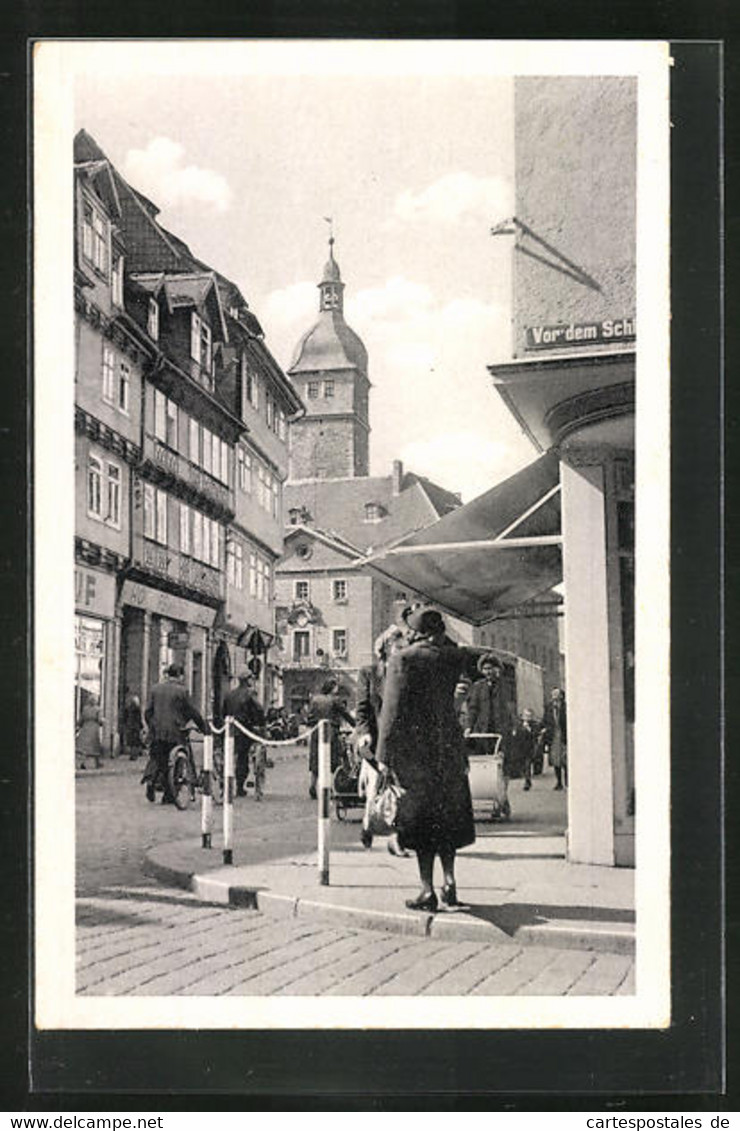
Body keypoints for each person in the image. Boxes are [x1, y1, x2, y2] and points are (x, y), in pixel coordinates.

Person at [375, 606, 476, 912]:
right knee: (448, 817)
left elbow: (390, 712)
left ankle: (427, 890)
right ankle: (450, 882)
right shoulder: (454, 656)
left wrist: (383, 756)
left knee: (422, 823)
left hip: (416, 752)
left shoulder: (403, 659)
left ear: (415, 631)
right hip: (449, 747)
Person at [355, 624, 409, 852]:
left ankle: (396, 838)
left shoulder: (406, 673)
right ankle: (368, 824)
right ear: (387, 648)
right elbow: (362, 708)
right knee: (375, 789)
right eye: (398, 647)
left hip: (400, 739)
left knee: (400, 790)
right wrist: (364, 733)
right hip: (375, 740)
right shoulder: (369, 673)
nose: (402, 652)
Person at [143, 664, 209, 804]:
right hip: (176, 732)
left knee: (157, 758)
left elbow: (148, 712)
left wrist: (152, 726)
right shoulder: (182, 691)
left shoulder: (155, 689)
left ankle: (151, 781)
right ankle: (169, 794)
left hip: (157, 732)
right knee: (176, 761)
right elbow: (191, 711)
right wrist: (203, 728)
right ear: (179, 675)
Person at [306, 677, 355, 800]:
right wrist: (357, 725)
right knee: (332, 760)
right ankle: (331, 788)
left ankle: (313, 785)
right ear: (332, 688)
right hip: (331, 732)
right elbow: (346, 715)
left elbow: (309, 718)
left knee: (315, 760)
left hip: (316, 732)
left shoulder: (315, 700)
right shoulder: (335, 700)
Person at [223, 670, 266, 799]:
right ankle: (240, 786)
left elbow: (223, 712)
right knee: (243, 758)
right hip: (245, 730)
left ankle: (227, 784)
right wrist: (261, 724)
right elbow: (259, 710)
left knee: (231, 756)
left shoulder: (229, 695)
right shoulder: (250, 693)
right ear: (248, 680)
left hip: (230, 729)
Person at [465, 654, 506, 755]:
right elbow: (473, 708)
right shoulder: (478, 687)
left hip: (498, 728)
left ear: (495, 669)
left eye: (490, 668)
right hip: (482, 728)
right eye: (485, 669)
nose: (488, 672)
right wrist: (469, 727)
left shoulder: (502, 686)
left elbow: (506, 708)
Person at [502, 707, 538, 793]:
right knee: (522, 764)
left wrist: (529, 730)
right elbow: (515, 735)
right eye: (525, 715)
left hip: (529, 748)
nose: (527, 718)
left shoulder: (534, 725)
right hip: (520, 748)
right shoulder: (518, 724)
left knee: (527, 764)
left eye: (529, 716)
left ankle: (527, 781)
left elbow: (535, 735)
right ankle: (521, 776)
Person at [540, 687, 568, 790]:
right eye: (553, 694)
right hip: (553, 737)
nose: (554, 696)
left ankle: (568, 781)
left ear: (561, 696)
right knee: (556, 760)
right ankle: (559, 782)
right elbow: (545, 720)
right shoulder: (549, 707)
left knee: (565, 759)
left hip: (563, 736)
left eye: (556, 694)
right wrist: (543, 729)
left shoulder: (566, 707)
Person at [76, 693, 104, 769]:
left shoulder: (85, 709)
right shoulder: (98, 709)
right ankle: (97, 763)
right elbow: (99, 720)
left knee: (85, 748)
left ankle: (83, 762)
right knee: (95, 746)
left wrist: (78, 726)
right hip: (94, 729)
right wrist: (103, 722)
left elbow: (81, 719)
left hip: (85, 728)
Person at [120, 688, 144, 761]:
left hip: (129, 725)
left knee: (131, 741)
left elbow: (125, 716)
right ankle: (134, 755)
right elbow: (139, 718)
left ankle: (132, 754)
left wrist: (125, 723)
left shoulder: (128, 708)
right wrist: (141, 726)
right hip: (135, 726)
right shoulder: (137, 709)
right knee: (136, 742)